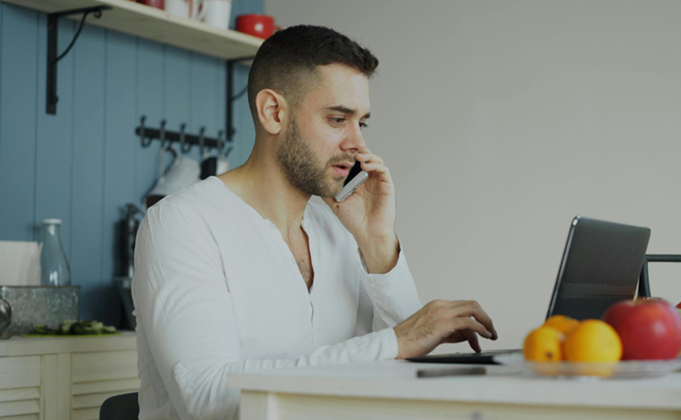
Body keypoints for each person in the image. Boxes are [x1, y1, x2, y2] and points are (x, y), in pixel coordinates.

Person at [132, 25, 497, 420]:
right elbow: (208, 398)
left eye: (362, 123)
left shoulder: (339, 227)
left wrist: (378, 244)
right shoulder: (180, 224)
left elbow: (401, 368)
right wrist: (396, 341)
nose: (358, 144)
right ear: (274, 112)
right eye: (338, 119)